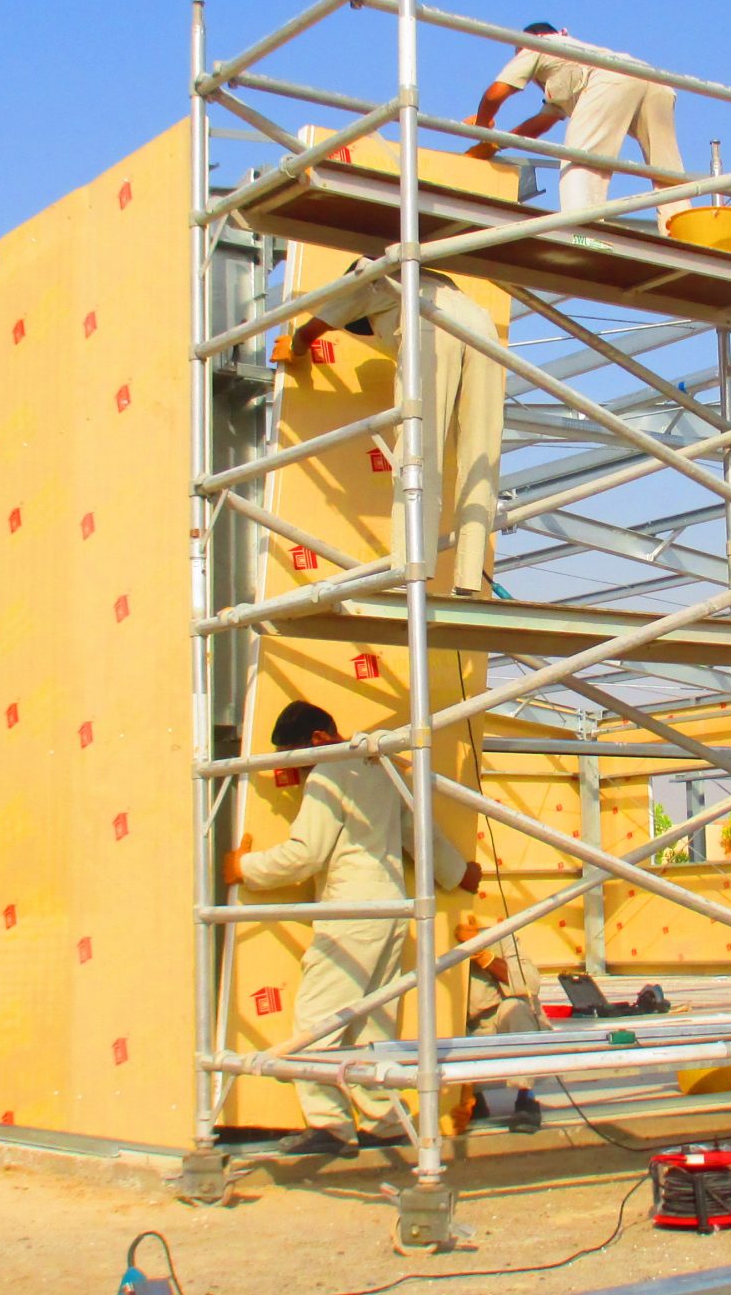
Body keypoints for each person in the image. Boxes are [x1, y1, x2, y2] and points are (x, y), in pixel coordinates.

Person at [227, 699, 484, 1156]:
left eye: (298, 758)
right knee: (372, 1027)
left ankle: (329, 1126)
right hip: (391, 910)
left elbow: (305, 855)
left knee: (316, 1021)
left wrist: (244, 868)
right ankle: (382, 1120)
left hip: (352, 909)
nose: (299, 773)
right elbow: (416, 832)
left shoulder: (330, 772)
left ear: (320, 740)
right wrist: (456, 871)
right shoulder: (382, 770)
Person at [282, 263, 504, 598]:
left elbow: (315, 327)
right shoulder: (448, 288)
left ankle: (411, 564)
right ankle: (469, 575)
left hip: (430, 324)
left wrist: (294, 346)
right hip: (483, 329)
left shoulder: (370, 276)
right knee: (481, 452)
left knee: (420, 446)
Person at [465, 22, 690, 228]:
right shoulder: (568, 64)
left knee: (580, 160)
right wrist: (497, 143)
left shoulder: (537, 45)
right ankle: (680, 227)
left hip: (612, 79)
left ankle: (584, 230)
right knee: (665, 164)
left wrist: (483, 126)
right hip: (654, 82)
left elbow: (495, 94)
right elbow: (540, 124)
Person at [449, 911, 546, 1134]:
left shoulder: (500, 935)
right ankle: (474, 1097)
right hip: (466, 1028)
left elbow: (530, 983)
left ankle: (526, 1098)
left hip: (498, 1023)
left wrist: (484, 956)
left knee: (517, 1010)